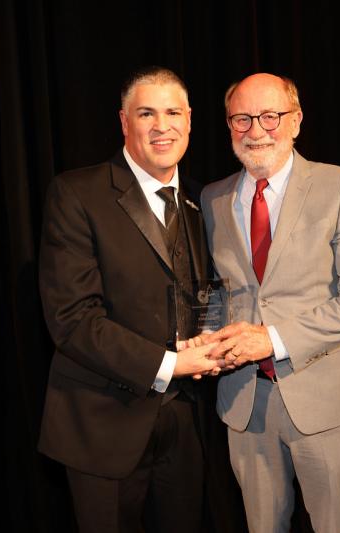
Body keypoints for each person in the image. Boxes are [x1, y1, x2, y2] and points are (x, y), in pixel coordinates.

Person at [199, 73, 340, 532]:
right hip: (245, 407)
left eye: (270, 116)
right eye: (242, 119)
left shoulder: (339, 185)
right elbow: (223, 291)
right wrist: (208, 338)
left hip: (327, 405)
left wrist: (273, 340)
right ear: (228, 125)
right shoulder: (213, 198)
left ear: (296, 120)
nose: (256, 130)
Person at [37, 66, 221, 532]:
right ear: (124, 122)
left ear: (191, 120)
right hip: (103, 422)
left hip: (189, 424)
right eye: (147, 113)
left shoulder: (207, 200)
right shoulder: (76, 193)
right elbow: (72, 320)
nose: (163, 126)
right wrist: (169, 364)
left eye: (173, 112)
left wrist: (216, 343)